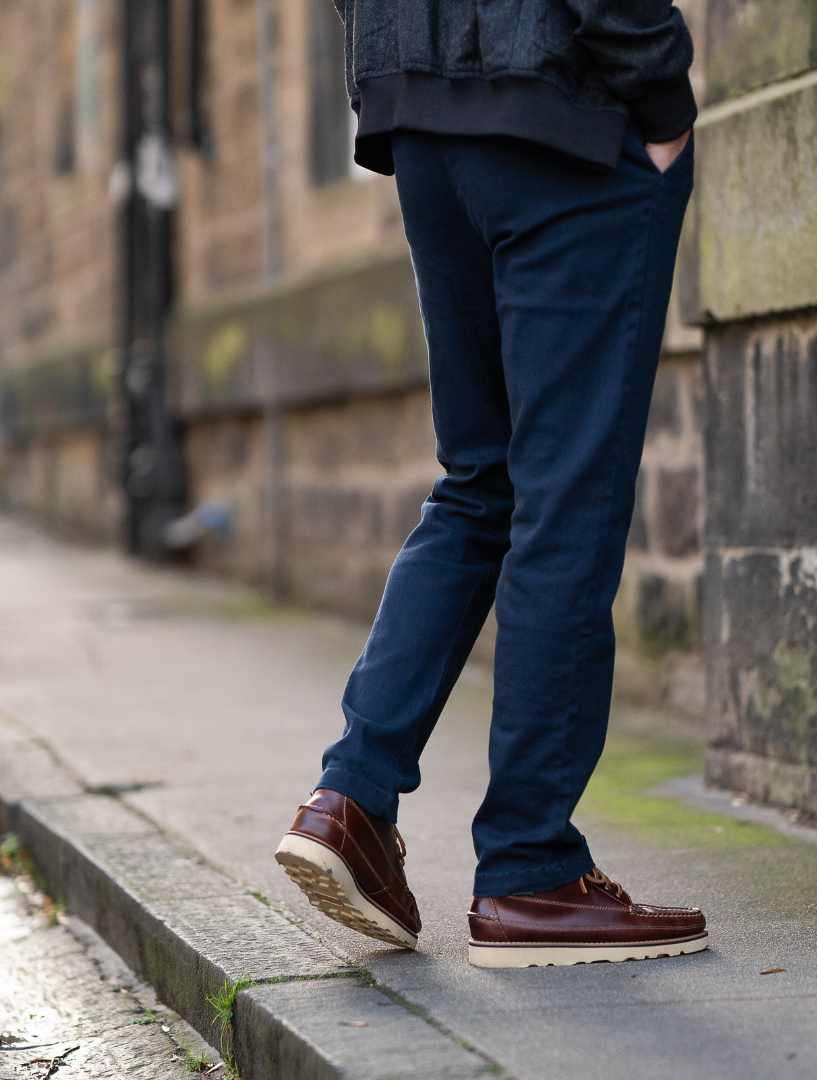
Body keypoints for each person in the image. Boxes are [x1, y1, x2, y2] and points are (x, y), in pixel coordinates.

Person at [276, 0, 706, 969]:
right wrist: (663, 91)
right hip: (562, 115)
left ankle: (350, 796)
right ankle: (531, 868)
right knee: (566, 500)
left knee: (480, 484)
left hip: (419, 116)